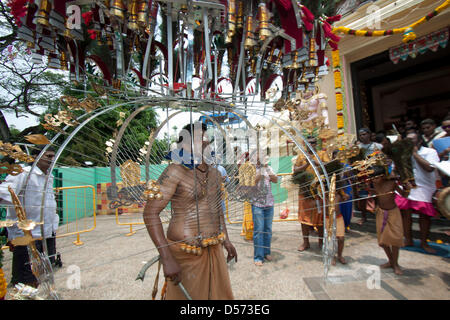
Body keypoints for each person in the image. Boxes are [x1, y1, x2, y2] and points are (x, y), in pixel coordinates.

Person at [143, 122, 237, 300]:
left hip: (214, 249)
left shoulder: (215, 174)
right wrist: (167, 258)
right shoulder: (174, 171)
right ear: (184, 145)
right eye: (198, 138)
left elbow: (217, 211)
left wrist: (227, 241)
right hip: (184, 254)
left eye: (205, 138)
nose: (205, 141)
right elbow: (150, 213)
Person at [0, 147, 59, 288]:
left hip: (47, 232)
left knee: (45, 273)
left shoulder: (48, 176)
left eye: (53, 156)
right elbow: (3, 193)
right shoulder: (23, 174)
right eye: (48, 156)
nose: (52, 160)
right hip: (28, 234)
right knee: (26, 278)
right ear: (35, 157)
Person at [395, 132, 440, 253]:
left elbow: (430, 168)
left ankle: (424, 242)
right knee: (405, 214)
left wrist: (414, 153)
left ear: (419, 141)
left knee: (424, 216)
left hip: (424, 186)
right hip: (407, 186)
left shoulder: (430, 152)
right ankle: (408, 239)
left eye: (412, 140)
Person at [370, 165, 407, 275]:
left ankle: (395, 264)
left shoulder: (392, 184)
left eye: (376, 177)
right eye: (373, 178)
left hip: (393, 213)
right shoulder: (374, 184)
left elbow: (404, 194)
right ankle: (391, 261)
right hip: (381, 212)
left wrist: (408, 186)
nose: (374, 180)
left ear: (382, 176)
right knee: (383, 241)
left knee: (395, 240)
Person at [294, 136, 330, 251]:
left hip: (318, 191)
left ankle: (321, 242)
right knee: (303, 218)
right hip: (304, 191)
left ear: (316, 143)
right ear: (305, 144)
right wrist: (306, 164)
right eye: (308, 143)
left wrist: (315, 162)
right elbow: (295, 170)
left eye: (313, 142)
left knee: (320, 218)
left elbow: (329, 167)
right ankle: (306, 242)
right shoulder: (301, 156)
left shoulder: (322, 154)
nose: (311, 145)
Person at [251, 156, 278, 266]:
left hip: (269, 204)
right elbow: (252, 182)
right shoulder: (252, 169)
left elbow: (275, 180)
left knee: (267, 230)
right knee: (259, 231)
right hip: (257, 205)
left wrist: (266, 169)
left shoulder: (269, 168)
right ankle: (258, 256)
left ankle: (267, 252)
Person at [355, 128, 383, 225]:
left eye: (364, 134)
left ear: (369, 134)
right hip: (362, 174)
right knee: (362, 196)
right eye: (361, 135)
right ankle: (363, 216)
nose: (363, 136)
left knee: (377, 194)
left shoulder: (378, 146)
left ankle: (379, 214)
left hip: (376, 173)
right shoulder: (357, 148)